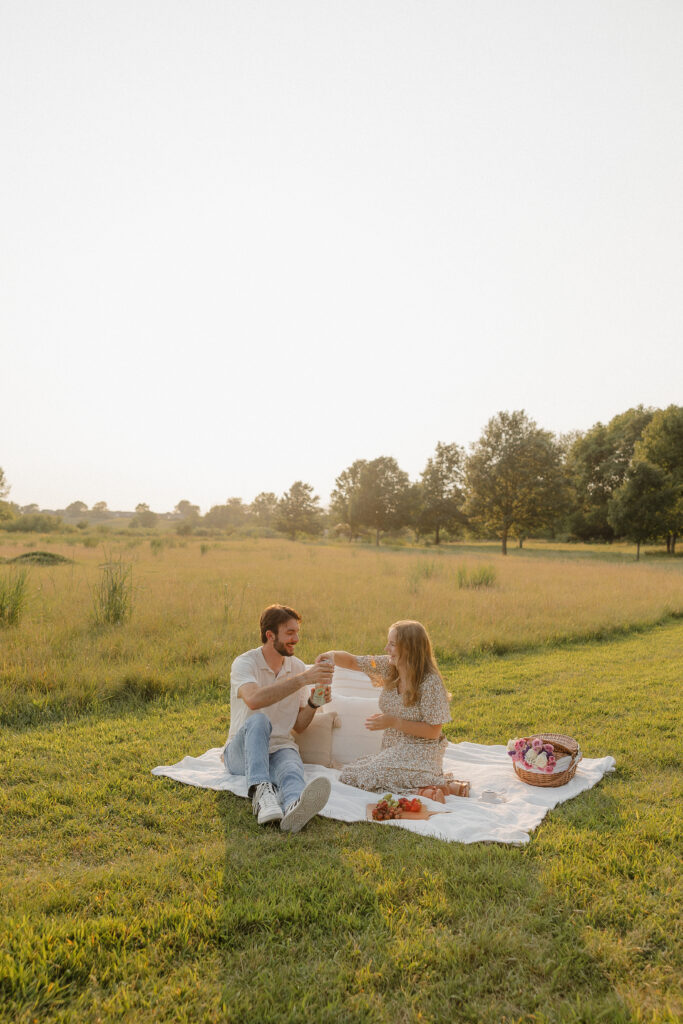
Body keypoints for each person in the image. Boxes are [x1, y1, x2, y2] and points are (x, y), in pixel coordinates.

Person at [222, 604, 333, 833]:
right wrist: (303, 680)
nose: (296, 638)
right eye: (290, 633)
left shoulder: (298, 667)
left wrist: (314, 703)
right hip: (242, 752)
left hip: (280, 746)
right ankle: (262, 796)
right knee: (259, 720)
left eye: (297, 632)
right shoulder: (245, 663)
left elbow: (299, 727)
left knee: (292, 769)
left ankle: (294, 807)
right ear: (270, 635)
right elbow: (253, 700)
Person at [317, 620, 453, 793]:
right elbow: (353, 661)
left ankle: (431, 787)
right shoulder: (390, 666)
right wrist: (330, 655)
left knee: (363, 775)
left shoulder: (430, 682)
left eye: (392, 644)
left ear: (409, 648)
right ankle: (433, 786)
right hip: (393, 750)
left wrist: (394, 722)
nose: (386, 648)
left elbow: (434, 731)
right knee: (350, 773)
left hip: (422, 752)